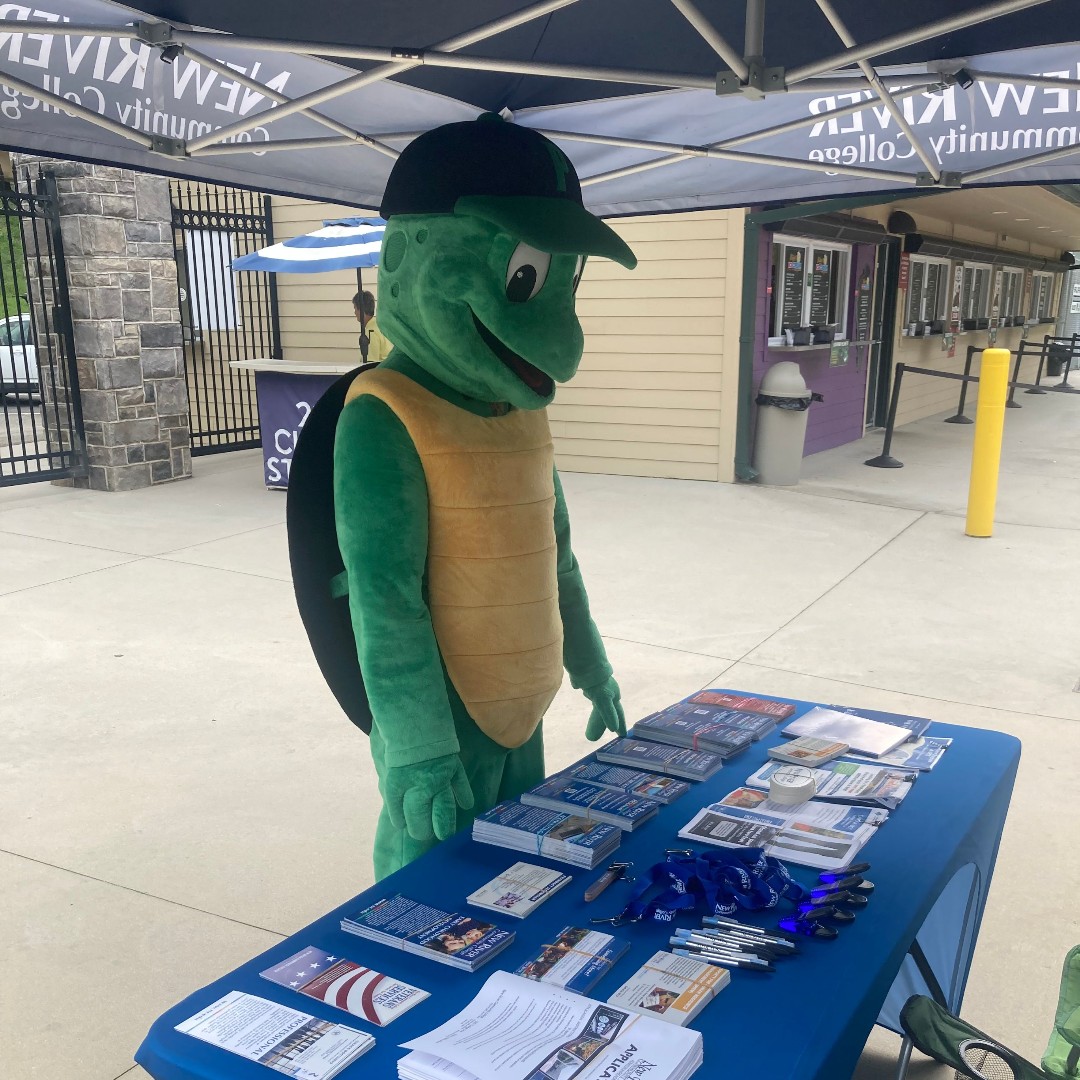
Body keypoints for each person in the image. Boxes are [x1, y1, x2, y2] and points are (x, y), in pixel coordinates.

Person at [352, 290, 392, 363]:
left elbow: (370, 364)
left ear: (361, 310)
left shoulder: (371, 332)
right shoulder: (379, 325)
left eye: (355, 308)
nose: (354, 312)